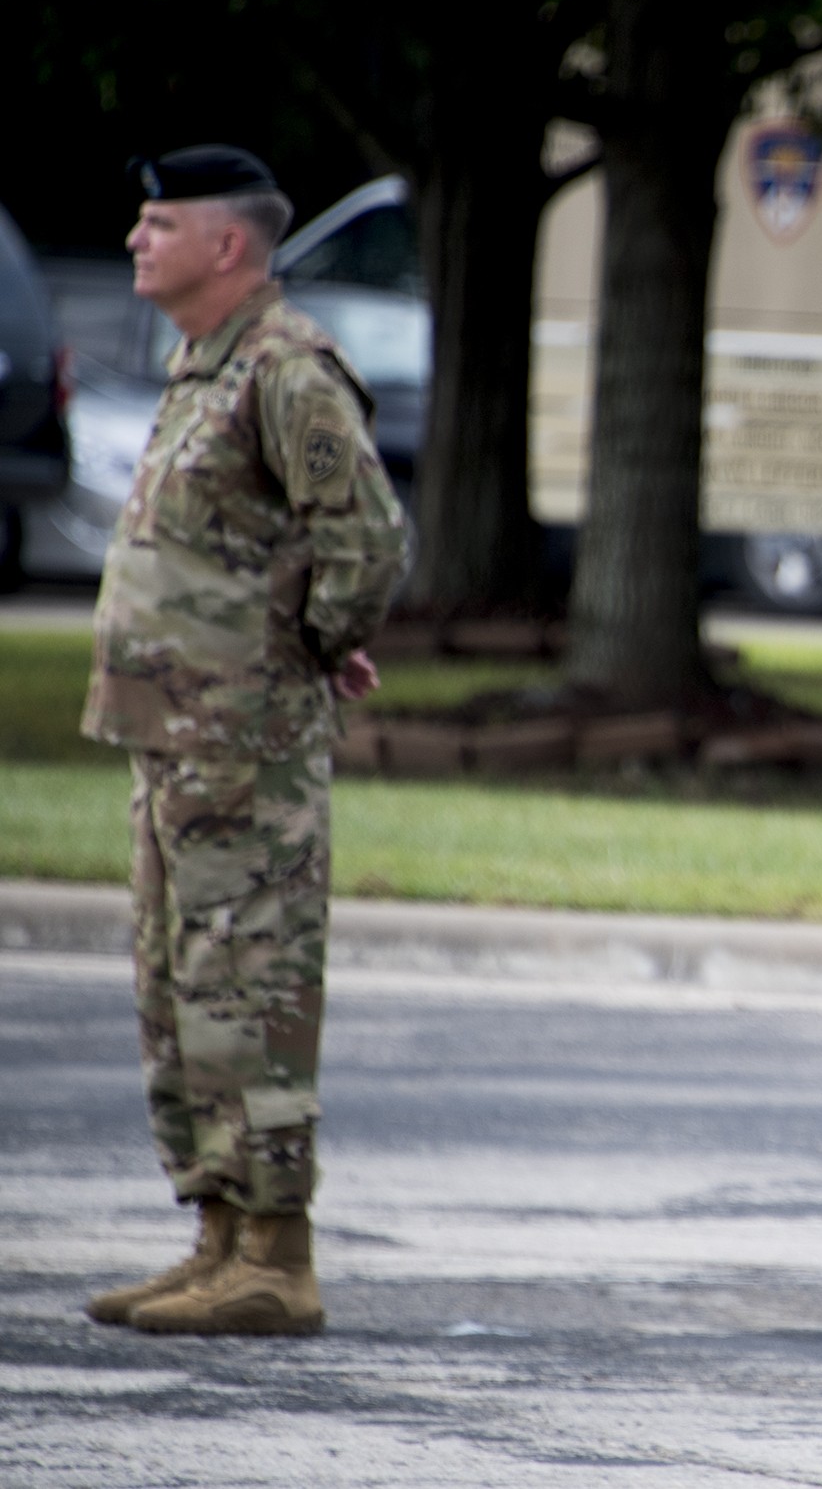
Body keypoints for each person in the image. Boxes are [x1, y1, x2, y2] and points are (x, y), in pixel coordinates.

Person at [80, 145, 409, 1334]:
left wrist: (312, 646)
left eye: (157, 222)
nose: (134, 239)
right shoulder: (201, 364)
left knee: (248, 985)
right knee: (180, 990)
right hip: (176, 737)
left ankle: (278, 1253)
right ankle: (218, 1235)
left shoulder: (288, 367)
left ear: (228, 246)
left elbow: (364, 537)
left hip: (243, 745)